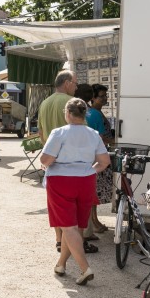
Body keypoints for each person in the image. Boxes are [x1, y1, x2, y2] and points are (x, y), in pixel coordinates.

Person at [40, 98, 111, 285]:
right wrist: (89, 170)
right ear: (84, 114)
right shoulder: (93, 134)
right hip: (86, 180)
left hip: (61, 180)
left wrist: (50, 163)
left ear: (68, 113)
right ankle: (61, 264)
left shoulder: (59, 132)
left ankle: (84, 268)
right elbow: (104, 162)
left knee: (67, 226)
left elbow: (45, 159)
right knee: (75, 225)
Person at [38, 70, 99, 254]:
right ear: (66, 83)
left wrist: (49, 155)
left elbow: (41, 132)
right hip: (73, 167)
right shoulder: (70, 103)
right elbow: (84, 135)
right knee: (77, 209)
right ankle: (78, 243)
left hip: (52, 165)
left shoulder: (45, 103)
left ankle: (59, 240)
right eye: (75, 83)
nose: (76, 86)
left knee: (58, 209)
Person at [74, 84, 100, 242]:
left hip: (68, 170)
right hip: (88, 165)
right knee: (87, 200)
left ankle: (67, 238)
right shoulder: (94, 114)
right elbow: (103, 158)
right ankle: (87, 233)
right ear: (91, 97)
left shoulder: (62, 129)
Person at [86, 84, 113, 232]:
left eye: (105, 96)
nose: (104, 99)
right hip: (97, 156)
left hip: (96, 155)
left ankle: (94, 220)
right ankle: (93, 222)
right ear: (93, 98)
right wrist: (115, 141)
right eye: (101, 96)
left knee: (94, 192)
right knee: (93, 191)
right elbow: (101, 137)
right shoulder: (95, 113)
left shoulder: (95, 113)